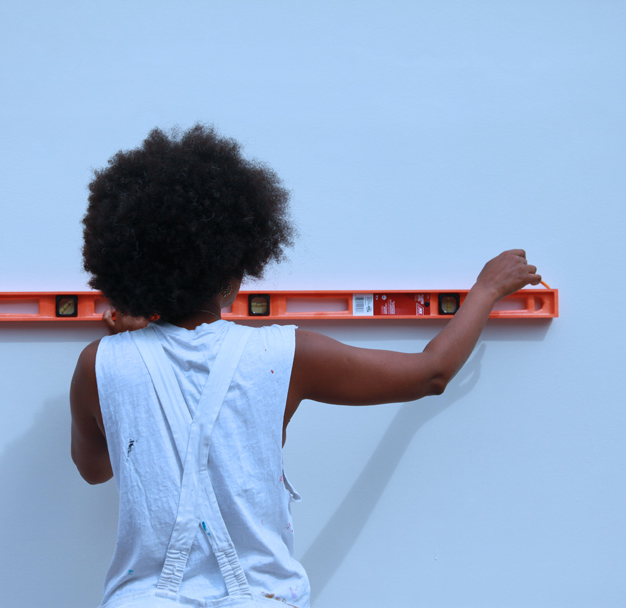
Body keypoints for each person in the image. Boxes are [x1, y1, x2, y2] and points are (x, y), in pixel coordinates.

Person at [70, 124, 541, 608]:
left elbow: (96, 470)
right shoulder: (283, 354)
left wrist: (134, 353)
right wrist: (486, 290)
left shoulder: (98, 365)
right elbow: (431, 373)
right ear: (233, 268)